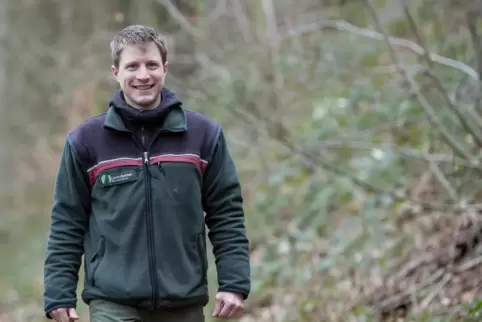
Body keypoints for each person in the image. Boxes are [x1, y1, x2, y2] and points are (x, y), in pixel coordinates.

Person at [43, 24, 251, 322]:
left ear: (165, 68)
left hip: (184, 298)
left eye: (152, 65)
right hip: (112, 301)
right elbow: (67, 221)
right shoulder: (85, 142)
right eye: (132, 66)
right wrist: (59, 292)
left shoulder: (204, 136)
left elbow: (226, 214)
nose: (143, 75)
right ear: (116, 72)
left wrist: (234, 283)